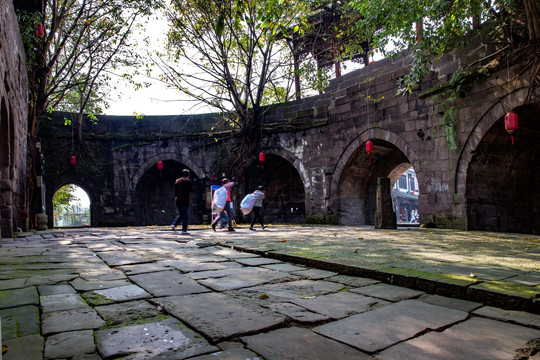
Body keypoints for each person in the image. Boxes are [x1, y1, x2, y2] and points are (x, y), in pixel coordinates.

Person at [171, 169, 194, 234]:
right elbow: (191, 190)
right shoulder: (188, 181)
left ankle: (174, 224)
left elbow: (175, 191)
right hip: (185, 200)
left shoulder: (177, 181)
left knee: (181, 214)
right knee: (186, 216)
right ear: (188, 175)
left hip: (178, 200)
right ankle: (184, 230)